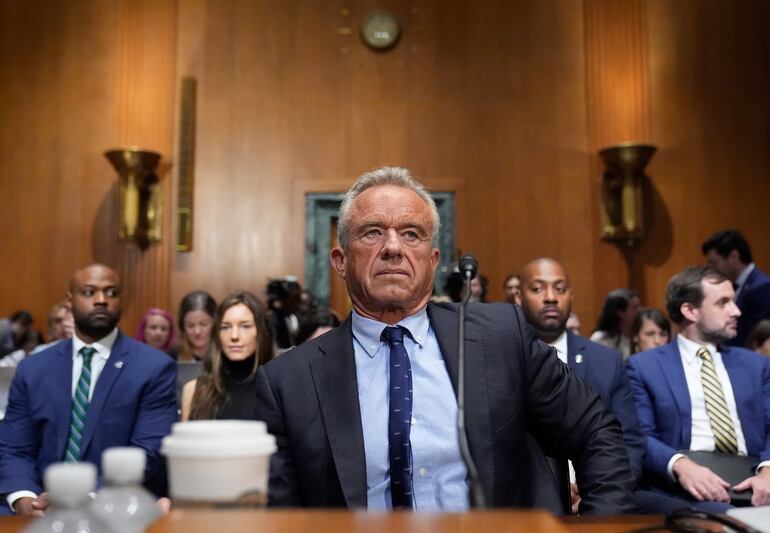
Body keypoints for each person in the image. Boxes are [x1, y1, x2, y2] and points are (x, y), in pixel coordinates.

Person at [256, 167, 635, 513]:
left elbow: (595, 430)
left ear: (433, 258)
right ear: (340, 260)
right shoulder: (288, 383)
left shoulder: (501, 336)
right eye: (372, 232)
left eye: (411, 234)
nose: (392, 248)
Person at [0, 264, 176, 515]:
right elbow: (14, 448)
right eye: (90, 292)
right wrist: (26, 501)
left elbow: (146, 455)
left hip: (113, 508)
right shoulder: (33, 369)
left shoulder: (153, 368)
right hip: (37, 506)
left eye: (112, 293)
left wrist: (81, 498)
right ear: (70, 300)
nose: (102, 300)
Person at [627, 266, 770, 510]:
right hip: (685, 488)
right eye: (723, 303)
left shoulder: (755, 365)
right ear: (690, 310)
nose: (736, 311)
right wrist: (682, 466)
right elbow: (639, 435)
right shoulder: (644, 367)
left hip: (754, 479)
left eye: (734, 301)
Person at [515, 258, 645, 512]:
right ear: (518, 297)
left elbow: (629, 440)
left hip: (602, 494)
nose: (551, 297)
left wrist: (599, 492)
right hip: (528, 504)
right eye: (538, 288)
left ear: (571, 297)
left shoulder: (606, 361)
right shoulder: (501, 360)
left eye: (560, 289)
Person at [182, 292, 273, 421]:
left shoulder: (278, 390)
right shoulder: (194, 391)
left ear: (262, 332)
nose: (234, 336)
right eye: (225, 327)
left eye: (245, 326)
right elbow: (186, 441)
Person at [702, 229, 770, 346]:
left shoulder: (764, 288)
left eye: (714, 262)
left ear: (734, 256)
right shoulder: (735, 285)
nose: (711, 268)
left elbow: (761, 337)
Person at [591, 289, 641, 359]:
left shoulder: (641, 336)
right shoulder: (601, 339)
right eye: (634, 307)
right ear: (620, 312)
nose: (640, 311)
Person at [174, 291, 217, 362]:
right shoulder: (172, 357)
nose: (197, 331)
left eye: (203, 324)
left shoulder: (227, 354)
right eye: (190, 326)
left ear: (215, 323)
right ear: (183, 327)